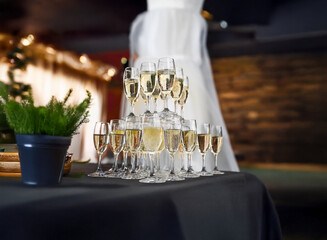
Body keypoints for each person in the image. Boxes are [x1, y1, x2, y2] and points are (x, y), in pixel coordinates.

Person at [120, 0, 239, 171]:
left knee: (187, 135)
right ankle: (152, 171)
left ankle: (185, 172)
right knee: (150, 136)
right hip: (152, 72)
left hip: (183, 73)